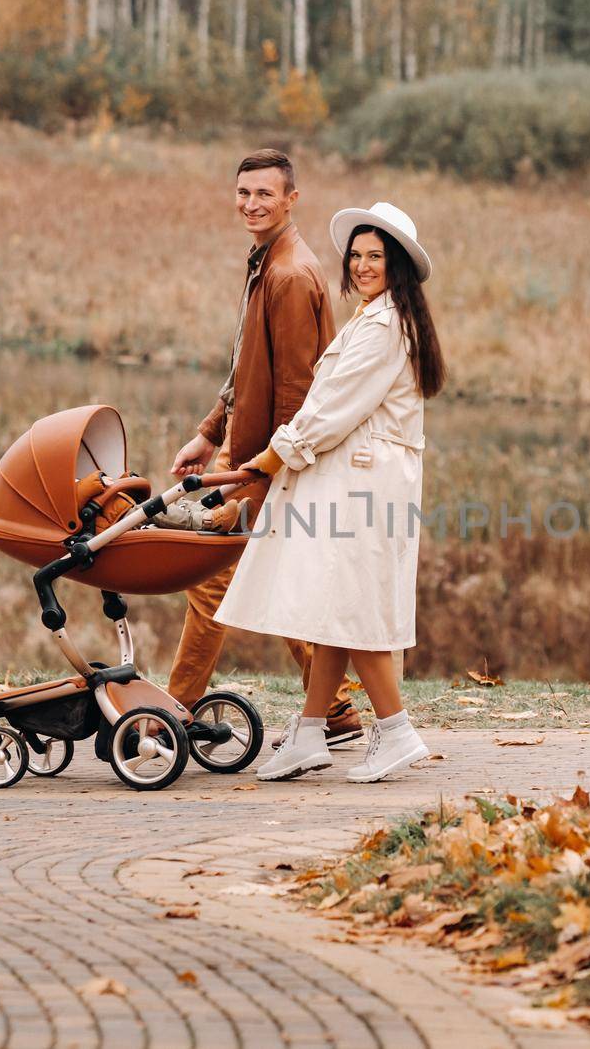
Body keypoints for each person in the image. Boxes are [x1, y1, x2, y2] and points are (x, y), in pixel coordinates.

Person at [215, 202, 445, 784]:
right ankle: (311, 730)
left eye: (377, 256)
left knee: (351, 608)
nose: (363, 265)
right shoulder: (376, 318)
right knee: (331, 606)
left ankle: (395, 731)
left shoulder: (385, 327)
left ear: (398, 267)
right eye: (358, 255)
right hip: (356, 477)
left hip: (362, 482)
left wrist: (272, 455)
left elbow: (330, 410)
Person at [161, 149, 362, 742]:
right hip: (246, 451)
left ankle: (174, 711)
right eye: (244, 193)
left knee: (215, 581)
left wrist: (260, 476)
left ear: (291, 199)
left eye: (264, 194)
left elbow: (296, 394)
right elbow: (245, 368)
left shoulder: (291, 276)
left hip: (269, 458)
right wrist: (209, 432)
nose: (251, 204)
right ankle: (335, 711)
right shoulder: (266, 261)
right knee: (265, 579)